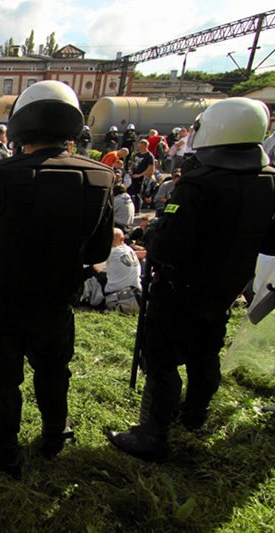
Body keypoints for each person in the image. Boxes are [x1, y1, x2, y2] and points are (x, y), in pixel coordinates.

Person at [0, 81, 114, 477]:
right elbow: (98, 252)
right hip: (57, 299)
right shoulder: (100, 177)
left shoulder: (2, 175)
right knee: (54, 370)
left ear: (21, 125)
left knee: (3, 381)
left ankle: (6, 452)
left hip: (4, 301)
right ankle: (55, 435)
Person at [108, 98, 275, 461]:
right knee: (206, 351)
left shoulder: (199, 184)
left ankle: (153, 434)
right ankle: (195, 414)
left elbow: (169, 245)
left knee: (161, 358)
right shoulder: (268, 181)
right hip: (226, 287)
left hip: (182, 287)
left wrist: (152, 234)